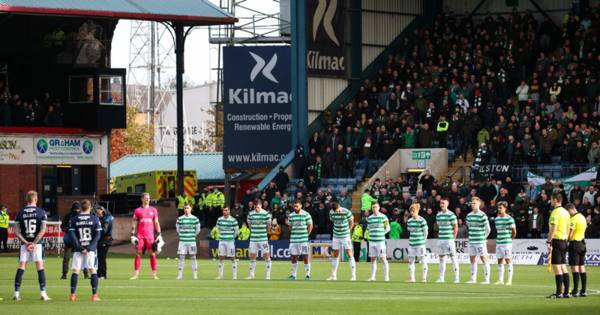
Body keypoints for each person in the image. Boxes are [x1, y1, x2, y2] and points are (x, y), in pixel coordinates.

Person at [13, 190, 51, 301]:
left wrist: (26, 243)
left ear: (26, 199)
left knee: (21, 267)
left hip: (24, 244)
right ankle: (43, 294)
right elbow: (43, 230)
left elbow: (16, 231)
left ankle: (16, 293)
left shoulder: (20, 212)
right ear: (36, 199)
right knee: (40, 267)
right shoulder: (41, 212)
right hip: (37, 244)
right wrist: (34, 243)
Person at [68, 200, 102, 302]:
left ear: (81, 208)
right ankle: (94, 295)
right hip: (90, 250)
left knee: (76, 271)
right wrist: (89, 248)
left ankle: (73, 295)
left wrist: (80, 248)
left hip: (78, 250)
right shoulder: (95, 219)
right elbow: (97, 235)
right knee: (93, 270)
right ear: (90, 208)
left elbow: (72, 236)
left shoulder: (74, 220)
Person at [130, 192, 163, 280]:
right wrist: (132, 234)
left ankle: (154, 274)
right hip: (140, 235)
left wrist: (159, 234)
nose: (148, 199)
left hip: (150, 236)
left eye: (149, 198)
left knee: (152, 254)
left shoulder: (153, 210)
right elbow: (134, 222)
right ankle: (136, 274)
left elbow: (156, 222)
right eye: (146, 198)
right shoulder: (137, 210)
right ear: (142, 199)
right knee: (138, 253)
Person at [546, 192, 571, 298]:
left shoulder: (555, 212)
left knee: (557, 266)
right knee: (563, 266)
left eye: (551, 199)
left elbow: (553, 228)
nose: (551, 201)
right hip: (564, 241)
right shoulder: (566, 212)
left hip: (557, 240)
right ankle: (566, 292)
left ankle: (559, 292)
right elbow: (568, 227)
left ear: (555, 200)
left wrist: (548, 241)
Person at [327, 201, 356, 281]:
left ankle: (353, 276)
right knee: (335, 254)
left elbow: (352, 222)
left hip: (345, 236)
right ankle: (333, 276)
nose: (338, 212)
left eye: (338, 210)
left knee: (349, 253)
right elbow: (333, 221)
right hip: (336, 235)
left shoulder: (347, 212)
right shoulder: (331, 212)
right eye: (336, 211)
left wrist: (348, 231)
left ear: (340, 206)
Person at [466, 197, 491, 284]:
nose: (473, 205)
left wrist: (483, 238)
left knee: (484, 259)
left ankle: (486, 279)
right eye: (472, 204)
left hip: (480, 241)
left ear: (479, 204)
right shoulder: (469, 215)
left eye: (475, 203)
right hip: (471, 241)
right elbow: (469, 226)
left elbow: (488, 229)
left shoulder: (483, 215)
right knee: (472, 260)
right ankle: (473, 278)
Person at [287, 200, 313, 280]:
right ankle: (293, 275)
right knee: (293, 257)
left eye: (297, 206)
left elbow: (310, 225)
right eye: (294, 206)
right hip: (294, 240)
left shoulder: (306, 214)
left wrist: (307, 235)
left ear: (301, 206)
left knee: (305, 256)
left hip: (303, 240)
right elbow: (290, 226)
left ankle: (307, 274)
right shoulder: (291, 215)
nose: (295, 208)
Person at [246, 200, 272, 280]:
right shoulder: (250, 214)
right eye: (255, 207)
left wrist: (266, 233)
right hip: (253, 239)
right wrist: (253, 231)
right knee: (252, 256)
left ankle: (268, 275)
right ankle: (251, 275)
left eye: (257, 207)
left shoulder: (266, 214)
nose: (256, 208)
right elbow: (249, 225)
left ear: (261, 206)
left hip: (263, 239)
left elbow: (269, 225)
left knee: (266, 255)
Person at [435, 198, 460, 283]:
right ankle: (441, 278)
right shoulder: (438, 215)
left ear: (447, 204)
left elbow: (455, 227)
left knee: (453, 257)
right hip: (441, 239)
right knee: (441, 258)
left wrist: (453, 238)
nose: (442, 205)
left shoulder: (451, 214)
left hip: (449, 240)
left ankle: (456, 278)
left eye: (443, 203)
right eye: (441, 203)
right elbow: (438, 226)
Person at [176, 203, 201, 280]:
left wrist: (192, 236)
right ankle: (180, 275)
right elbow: (178, 229)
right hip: (182, 241)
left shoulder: (195, 219)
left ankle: (195, 275)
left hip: (191, 241)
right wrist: (182, 235)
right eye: (185, 208)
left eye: (187, 208)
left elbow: (198, 230)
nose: (186, 209)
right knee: (181, 257)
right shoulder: (180, 219)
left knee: (193, 257)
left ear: (191, 209)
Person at [567, 203, 587, 297]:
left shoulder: (573, 219)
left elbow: (570, 235)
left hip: (575, 244)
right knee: (581, 267)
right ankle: (583, 290)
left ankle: (575, 290)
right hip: (582, 244)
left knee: (574, 267)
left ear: (571, 209)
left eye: (568, 212)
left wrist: (566, 239)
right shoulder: (582, 217)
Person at [494, 201, 516, 286]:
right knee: (499, 260)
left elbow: (514, 231)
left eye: (501, 208)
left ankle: (509, 280)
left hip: (506, 243)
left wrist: (510, 239)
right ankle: (500, 280)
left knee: (508, 260)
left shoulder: (509, 219)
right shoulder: (497, 219)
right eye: (498, 207)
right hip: (499, 242)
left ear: (505, 208)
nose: (499, 209)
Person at [367, 202, 390, 282]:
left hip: (380, 241)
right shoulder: (370, 218)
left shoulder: (383, 217)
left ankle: (386, 277)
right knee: (372, 259)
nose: (374, 209)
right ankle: (373, 277)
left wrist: (381, 234)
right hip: (372, 241)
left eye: (376, 207)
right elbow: (368, 228)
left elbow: (387, 228)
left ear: (379, 208)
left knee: (383, 258)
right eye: (373, 207)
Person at [407, 203, 429, 283]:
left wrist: (424, 241)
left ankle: (424, 278)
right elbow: (409, 231)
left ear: (417, 211)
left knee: (423, 260)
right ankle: (412, 278)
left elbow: (425, 232)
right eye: (411, 211)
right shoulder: (409, 221)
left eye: (413, 211)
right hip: (412, 244)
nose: (412, 213)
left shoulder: (422, 220)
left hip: (420, 244)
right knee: (411, 260)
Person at [216, 207, 239, 280]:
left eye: (226, 210)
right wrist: (220, 236)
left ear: (229, 211)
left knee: (232, 257)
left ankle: (234, 275)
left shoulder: (233, 220)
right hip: (222, 241)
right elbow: (217, 229)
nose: (225, 212)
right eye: (224, 210)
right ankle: (220, 275)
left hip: (230, 241)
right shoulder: (219, 219)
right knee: (221, 257)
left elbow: (236, 231)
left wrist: (232, 237)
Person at [61, 201, 80, 279]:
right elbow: (62, 227)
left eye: (78, 209)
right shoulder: (68, 216)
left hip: (78, 241)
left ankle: (86, 274)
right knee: (66, 258)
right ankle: (64, 274)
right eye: (75, 209)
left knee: (81, 258)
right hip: (69, 240)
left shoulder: (81, 216)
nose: (76, 211)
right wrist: (68, 229)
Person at [96, 206, 113, 280]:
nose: (97, 214)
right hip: (102, 240)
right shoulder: (104, 218)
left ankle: (103, 274)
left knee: (102, 258)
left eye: (98, 212)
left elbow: (104, 231)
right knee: (99, 258)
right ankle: (98, 274)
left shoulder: (107, 218)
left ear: (102, 211)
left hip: (105, 240)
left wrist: (96, 231)